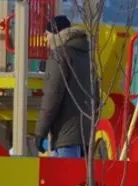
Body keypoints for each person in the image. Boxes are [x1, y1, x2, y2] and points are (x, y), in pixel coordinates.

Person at [35, 15, 97, 158]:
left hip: (65, 136)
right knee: (79, 178)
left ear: (55, 33)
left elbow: (52, 96)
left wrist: (40, 132)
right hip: (85, 136)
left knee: (62, 178)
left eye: (47, 34)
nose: (46, 40)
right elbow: (97, 98)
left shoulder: (60, 55)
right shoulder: (87, 57)